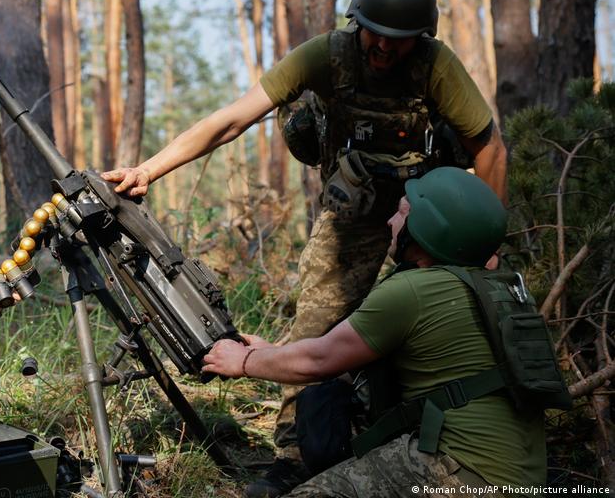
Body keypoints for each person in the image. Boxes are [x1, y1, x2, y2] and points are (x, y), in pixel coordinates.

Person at [103, 0, 508, 495]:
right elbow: (233, 118)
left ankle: (432, 437)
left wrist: (485, 245)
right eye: (376, 36)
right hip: (353, 212)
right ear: (356, 21)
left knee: (445, 320)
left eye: (399, 41)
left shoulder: (436, 66)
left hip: (425, 212)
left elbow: (490, 147)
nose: (385, 49)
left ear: (421, 37)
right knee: (315, 323)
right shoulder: (326, 55)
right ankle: (293, 456)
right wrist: (149, 169)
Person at [201, 167, 558, 497]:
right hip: (524, 478)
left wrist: (244, 360)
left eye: (402, 212)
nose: (390, 220)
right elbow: (345, 355)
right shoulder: (499, 288)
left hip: (462, 474)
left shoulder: (414, 290)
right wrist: (269, 353)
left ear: (429, 229)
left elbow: (319, 360)